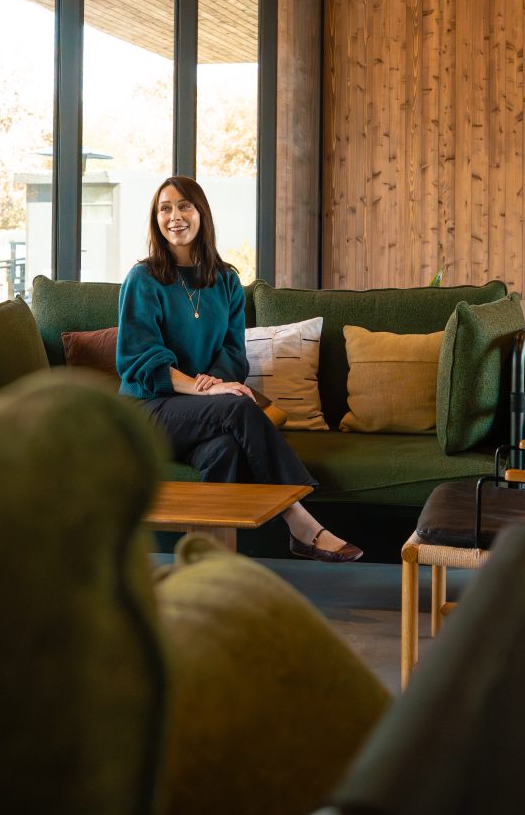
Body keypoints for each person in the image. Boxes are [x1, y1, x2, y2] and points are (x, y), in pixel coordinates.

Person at [117, 175, 362, 563]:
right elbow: (138, 358)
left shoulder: (227, 280)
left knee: (226, 449)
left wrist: (215, 381)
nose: (175, 216)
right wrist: (207, 390)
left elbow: (233, 352)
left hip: (200, 415)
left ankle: (212, 565)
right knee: (237, 407)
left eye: (184, 206)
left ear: (201, 215)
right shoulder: (143, 279)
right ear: (155, 219)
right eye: (165, 208)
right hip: (147, 410)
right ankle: (301, 521)